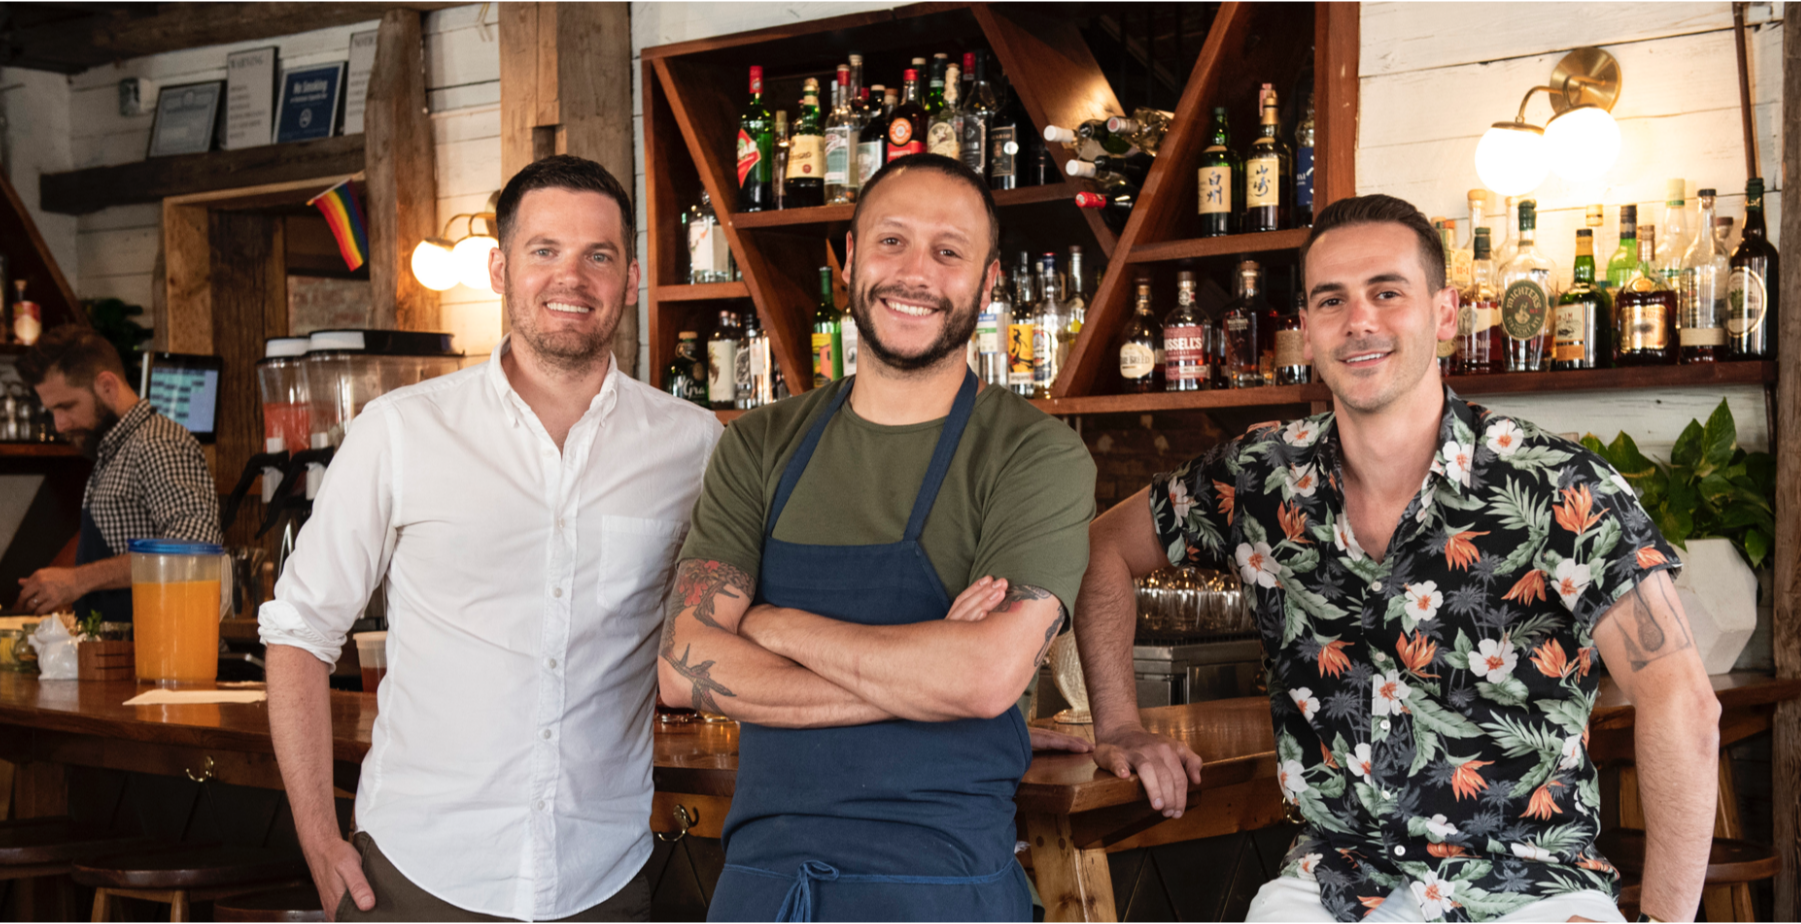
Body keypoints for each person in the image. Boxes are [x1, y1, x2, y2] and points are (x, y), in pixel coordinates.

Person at [1075, 194, 1721, 923]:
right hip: (1335, 885)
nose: (1359, 322)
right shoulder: (1258, 479)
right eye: (1331, 301)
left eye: (1387, 293)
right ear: (1307, 330)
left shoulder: (1557, 486)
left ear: (1445, 314)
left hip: (1528, 887)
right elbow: (1103, 547)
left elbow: (1682, 703)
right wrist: (1118, 726)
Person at [262, 155, 722, 922]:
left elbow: (726, 618)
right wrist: (317, 837)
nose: (571, 278)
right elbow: (299, 634)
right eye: (545, 250)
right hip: (418, 875)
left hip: (601, 880)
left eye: (598, 256)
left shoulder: (693, 444)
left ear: (631, 279)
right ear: (501, 270)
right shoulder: (401, 431)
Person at [659, 153, 1096, 922]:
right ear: (851, 259)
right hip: (764, 891)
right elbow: (683, 669)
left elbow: (985, 678)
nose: (915, 272)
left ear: (988, 283)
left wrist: (772, 624)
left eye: (948, 251)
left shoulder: (1032, 455)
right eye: (892, 241)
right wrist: (925, 679)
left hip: (941, 893)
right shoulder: (759, 445)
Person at [17, 325, 219, 619]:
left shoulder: (158, 442)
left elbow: (193, 547)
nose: (59, 424)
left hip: (161, 644)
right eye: (52, 412)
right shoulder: (113, 450)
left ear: (107, 386)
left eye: (66, 406)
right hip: (122, 644)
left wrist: (78, 579)